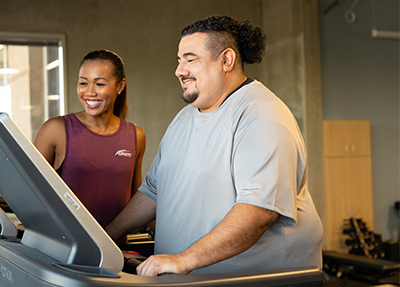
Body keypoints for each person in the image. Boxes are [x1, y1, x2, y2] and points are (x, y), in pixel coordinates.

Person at [105, 15, 323, 276]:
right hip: (188, 277)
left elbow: (259, 212)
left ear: (226, 60)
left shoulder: (262, 116)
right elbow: (154, 191)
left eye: (190, 59)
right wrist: (105, 237)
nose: (179, 70)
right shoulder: (183, 119)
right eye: (179, 60)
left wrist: (184, 260)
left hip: (257, 280)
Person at [34, 50, 146, 228]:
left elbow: (138, 202)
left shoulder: (135, 136)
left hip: (115, 249)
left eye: (100, 84)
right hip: (65, 248)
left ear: (120, 86)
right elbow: (30, 193)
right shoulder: (55, 130)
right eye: (83, 83)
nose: (89, 92)